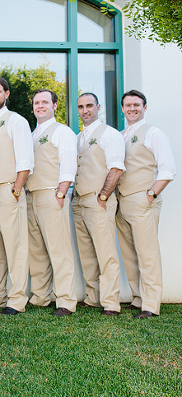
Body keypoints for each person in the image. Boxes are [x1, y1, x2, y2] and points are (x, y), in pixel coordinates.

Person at [116, 90, 172, 319]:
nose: (132, 109)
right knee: (129, 253)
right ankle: (138, 297)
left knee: (147, 254)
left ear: (144, 107)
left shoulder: (153, 133)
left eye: (136, 105)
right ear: (122, 109)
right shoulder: (120, 135)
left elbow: (167, 169)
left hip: (142, 200)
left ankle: (151, 304)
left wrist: (150, 195)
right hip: (122, 201)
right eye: (128, 105)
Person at [23, 90, 78, 316]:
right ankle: (41, 296)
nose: (40, 106)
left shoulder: (62, 131)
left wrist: (61, 193)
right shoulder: (33, 133)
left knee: (59, 249)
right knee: (37, 251)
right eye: (37, 103)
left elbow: (68, 163)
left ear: (55, 105)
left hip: (51, 194)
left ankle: (65, 300)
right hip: (31, 196)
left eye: (45, 102)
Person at [0, 77, 33, 315]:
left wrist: (16, 189)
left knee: (16, 247)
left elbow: (25, 160)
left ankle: (17, 299)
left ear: (7, 94)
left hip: (7, 189)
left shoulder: (16, 121)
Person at [70, 92, 125, 315]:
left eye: (89, 106)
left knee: (106, 252)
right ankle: (93, 297)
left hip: (98, 200)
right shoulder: (78, 137)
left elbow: (116, 168)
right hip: (79, 201)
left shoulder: (109, 134)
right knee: (87, 253)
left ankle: (111, 302)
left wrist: (103, 196)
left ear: (98, 107)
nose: (85, 110)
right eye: (81, 107)